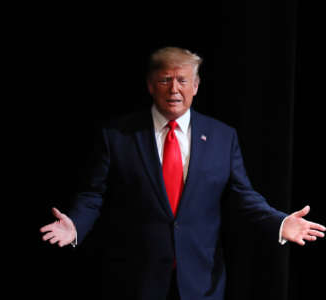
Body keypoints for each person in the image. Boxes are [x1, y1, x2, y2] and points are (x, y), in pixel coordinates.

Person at [40, 47, 325, 300]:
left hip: (201, 282)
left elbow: (243, 195)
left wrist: (278, 222)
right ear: (151, 85)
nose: (174, 89)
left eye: (182, 80)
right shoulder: (118, 136)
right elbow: (93, 194)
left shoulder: (222, 137)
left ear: (196, 86)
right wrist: (75, 224)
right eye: (165, 80)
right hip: (135, 280)